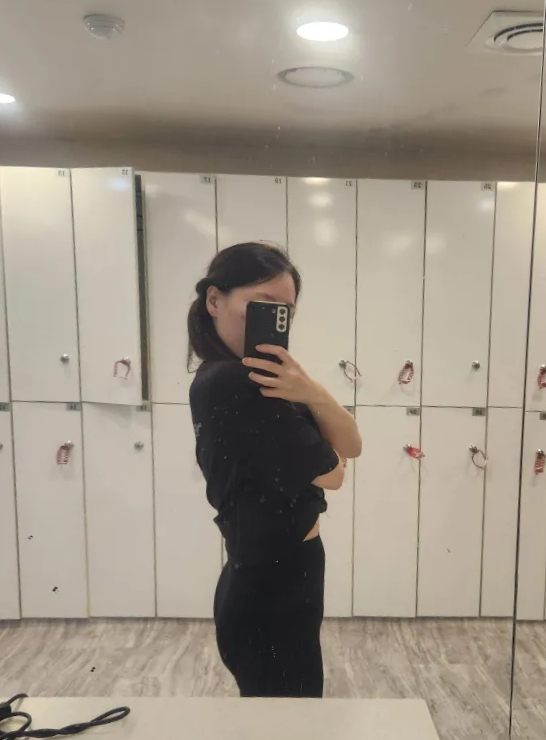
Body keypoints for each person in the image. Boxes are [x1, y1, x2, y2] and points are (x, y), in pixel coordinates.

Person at [187, 242, 362, 698]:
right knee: (291, 717)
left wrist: (311, 389)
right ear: (214, 300)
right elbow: (335, 472)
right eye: (262, 305)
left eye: (285, 312)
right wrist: (321, 433)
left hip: (274, 575)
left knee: (284, 714)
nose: (274, 320)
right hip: (272, 586)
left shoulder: (251, 380)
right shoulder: (235, 383)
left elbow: (351, 447)